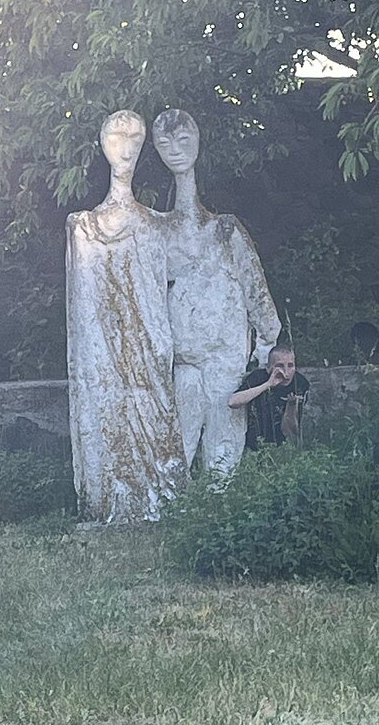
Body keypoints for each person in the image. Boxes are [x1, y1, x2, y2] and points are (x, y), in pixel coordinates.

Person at [66, 110, 183, 524]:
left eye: (135, 138)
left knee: (154, 415)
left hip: (149, 346)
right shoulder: (83, 226)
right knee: (107, 415)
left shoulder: (155, 224)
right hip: (103, 353)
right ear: (103, 145)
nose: (127, 148)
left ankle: (160, 501)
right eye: (118, 137)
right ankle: (107, 498)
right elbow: (82, 311)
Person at [152, 109, 281, 476]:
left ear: (197, 143)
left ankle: (220, 502)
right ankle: (178, 503)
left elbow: (256, 289)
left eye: (183, 140)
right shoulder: (158, 232)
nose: (175, 150)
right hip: (185, 359)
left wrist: (266, 345)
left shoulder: (225, 230)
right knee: (180, 439)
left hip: (226, 354)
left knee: (224, 440)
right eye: (164, 143)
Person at [229, 343, 310, 449]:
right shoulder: (258, 377)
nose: (286, 372)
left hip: (281, 445)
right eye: (280, 366)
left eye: (290, 366)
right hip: (253, 440)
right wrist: (268, 384)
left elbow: (290, 432)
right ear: (268, 368)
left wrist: (291, 406)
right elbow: (233, 402)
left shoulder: (299, 383)